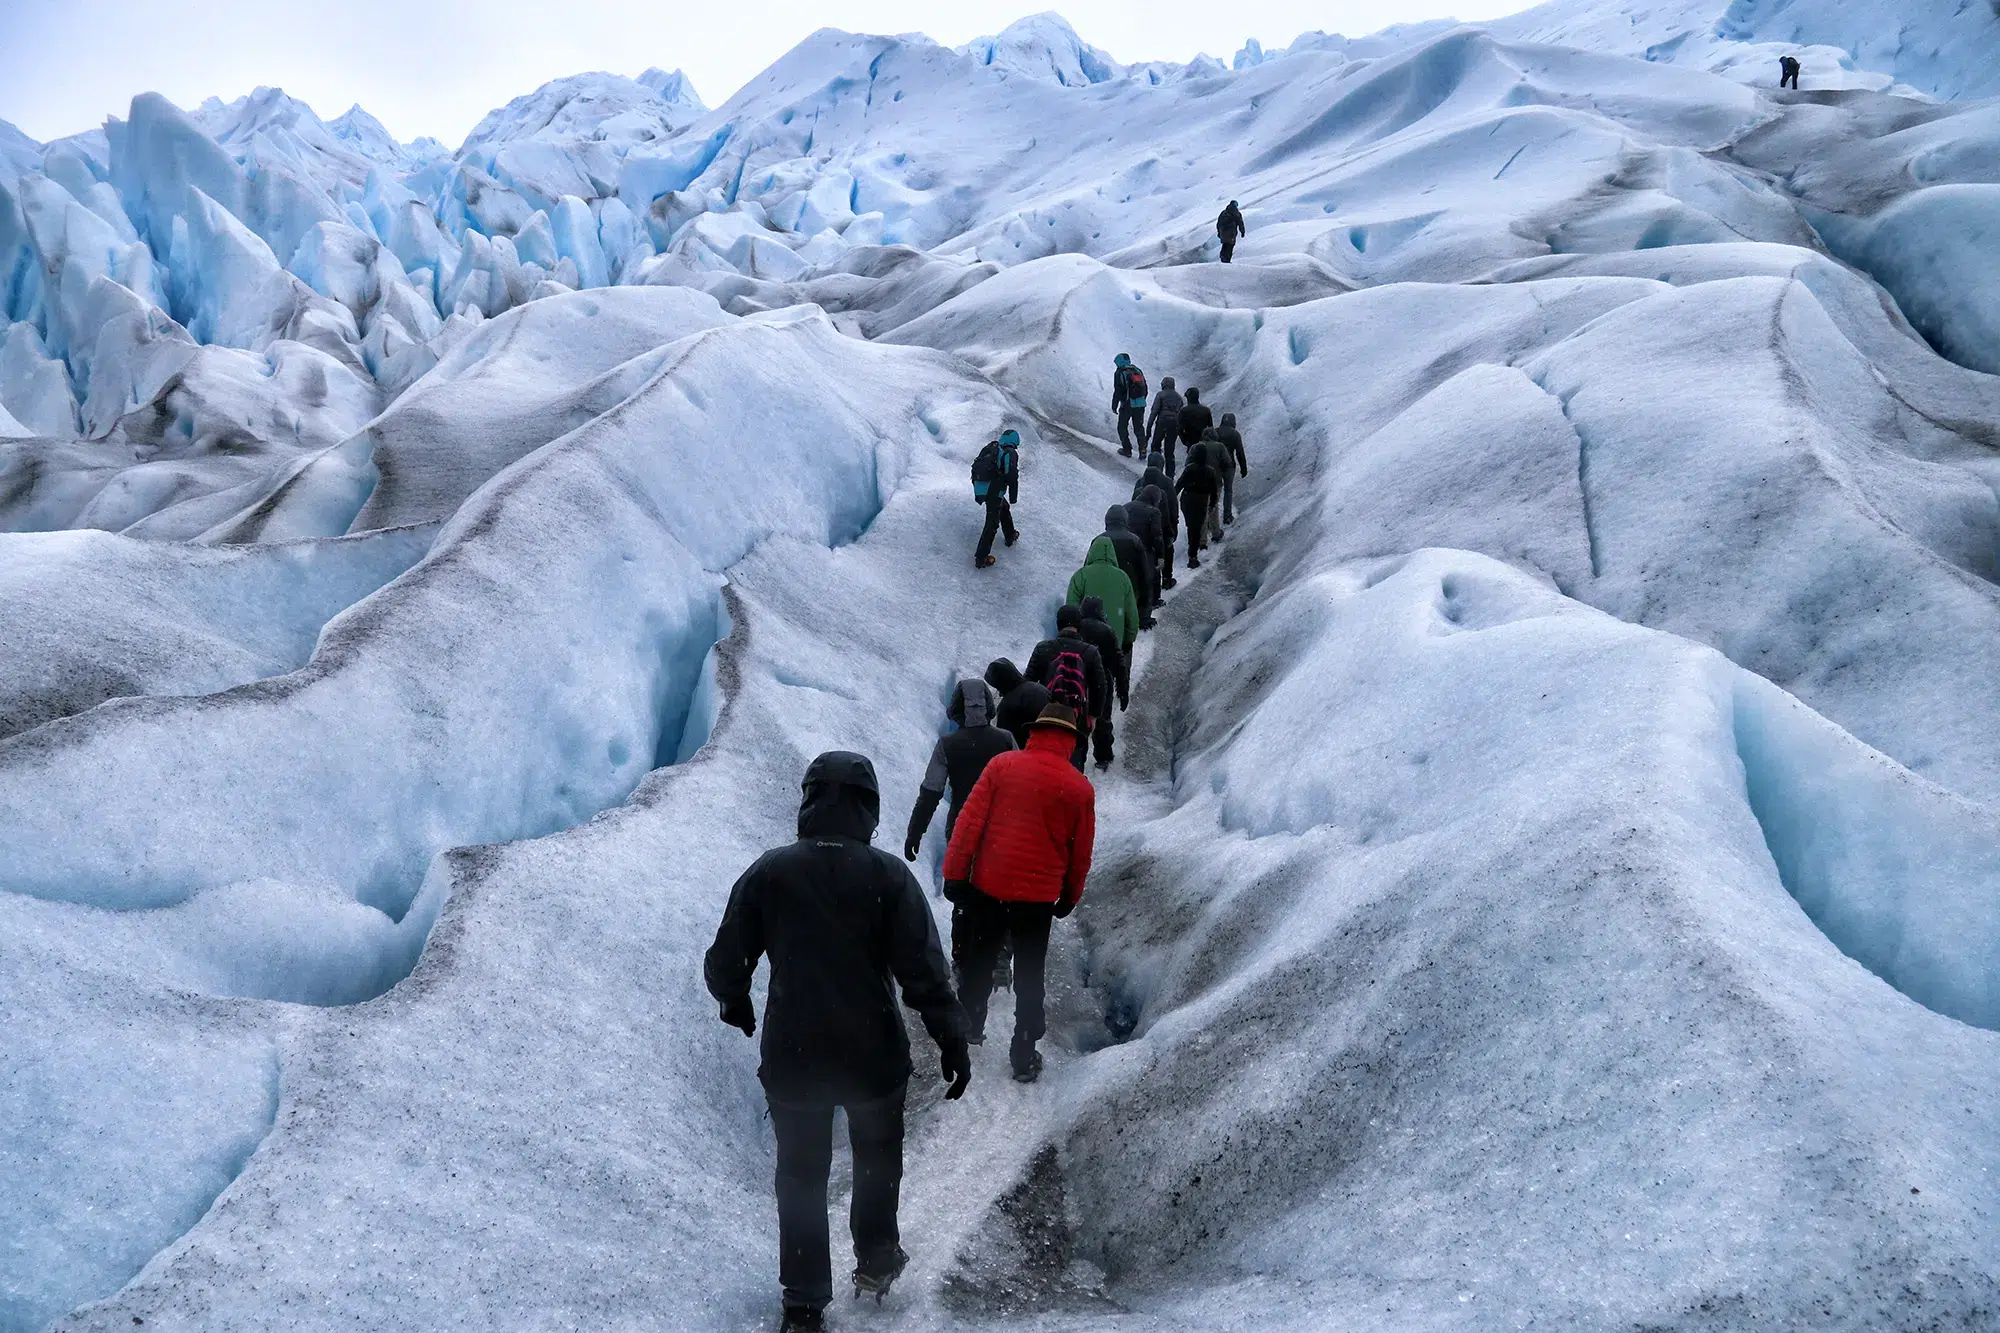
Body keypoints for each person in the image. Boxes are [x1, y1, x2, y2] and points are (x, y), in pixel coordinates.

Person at [706, 752, 973, 1331]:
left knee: (801, 1175)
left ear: (808, 801)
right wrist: (951, 1038)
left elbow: (728, 958)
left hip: (794, 1056)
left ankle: (803, 1303)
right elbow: (924, 972)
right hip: (871, 1057)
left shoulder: (771, 871)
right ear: (869, 808)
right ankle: (875, 1264)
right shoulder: (887, 877)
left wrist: (735, 1000)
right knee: (877, 1160)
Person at [942, 704, 1096, 1083]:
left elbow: (968, 824)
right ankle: (1023, 1054)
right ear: (1070, 741)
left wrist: (955, 873)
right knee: (1030, 973)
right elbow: (1081, 852)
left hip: (989, 887)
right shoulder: (1079, 788)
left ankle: (970, 1027)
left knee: (979, 960)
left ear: (1035, 732)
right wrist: (1070, 896)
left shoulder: (1002, 766)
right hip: (1038, 899)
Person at [906, 679, 1017, 862]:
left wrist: (915, 833)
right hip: (1002, 828)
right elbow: (1022, 785)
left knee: (960, 884)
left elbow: (930, 793)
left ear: (956, 707)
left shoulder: (947, 745)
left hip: (961, 827)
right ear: (988, 704)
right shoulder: (1005, 739)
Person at [1027, 605, 1110, 771]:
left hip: (1045, 715)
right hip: (1076, 718)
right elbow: (1100, 687)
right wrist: (1093, 716)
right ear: (1079, 626)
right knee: (1073, 764)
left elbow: (1028, 682)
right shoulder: (1091, 652)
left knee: (1043, 763)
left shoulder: (1043, 648)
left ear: (1058, 624)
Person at [1065, 533, 1141, 651]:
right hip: (1114, 643)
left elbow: (1071, 608)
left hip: (1084, 644)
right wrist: (1128, 639)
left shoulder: (1081, 575)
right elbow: (1131, 613)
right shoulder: (1123, 578)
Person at [1076, 596, 1127, 770]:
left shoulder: (1076, 628)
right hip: (1102, 680)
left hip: (1078, 679)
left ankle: (1077, 759)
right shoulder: (1106, 631)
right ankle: (1103, 756)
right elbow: (1118, 663)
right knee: (1103, 719)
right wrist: (1123, 689)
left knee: (1078, 721)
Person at [1100, 505, 1158, 630]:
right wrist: (1145, 614)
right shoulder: (1134, 540)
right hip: (1129, 595)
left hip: (1104, 597)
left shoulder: (1099, 540)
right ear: (1126, 520)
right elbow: (1145, 577)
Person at [971, 429, 1021, 569]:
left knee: (1003, 507)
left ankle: (1010, 534)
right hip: (993, 490)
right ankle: (981, 558)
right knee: (992, 522)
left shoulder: (992, 447)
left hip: (982, 486)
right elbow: (1012, 476)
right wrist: (1013, 497)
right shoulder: (1010, 453)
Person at [1175, 451, 1222, 568]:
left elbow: (1179, 484)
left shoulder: (1189, 469)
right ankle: (1193, 555)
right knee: (1197, 527)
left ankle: (1192, 547)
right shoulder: (1210, 471)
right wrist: (1212, 504)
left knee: (1190, 525)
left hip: (1187, 499)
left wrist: (1172, 496)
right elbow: (1214, 490)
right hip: (1201, 501)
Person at [1121, 486, 1168, 596]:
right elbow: (1157, 535)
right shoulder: (1154, 512)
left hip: (1126, 548)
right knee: (1149, 578)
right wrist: (1161, 555)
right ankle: (1152, 601)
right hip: (1145, 549)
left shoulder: (1126, 507)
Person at [1187, 427, 1231, 543]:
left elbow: (1188, 463)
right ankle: (1216, 533)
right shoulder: (1220, 446)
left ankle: (1202, 539)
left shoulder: (1195, 447)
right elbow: (1227, 462)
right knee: (1213, 506)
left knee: (1202, 509)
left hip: (1198, 483)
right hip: (1216, 482)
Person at [1139, 482, 1178, 589]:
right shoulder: (1162, 492)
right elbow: (1168, 516)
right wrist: (1171, 532)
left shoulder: (1139, 486)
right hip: (1152, 537)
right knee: (1157, 561)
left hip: (1136, 539)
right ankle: (1165, 581)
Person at [1111, 353, 1148, 456]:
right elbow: (1145, 387)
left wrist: (1114, 406)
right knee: (1139, 427)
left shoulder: (1120, 372)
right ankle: (1143, 450)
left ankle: (1127, 450)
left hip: (1127, 404)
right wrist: (1142, 400)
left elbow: (1118, 391)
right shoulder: (1137, 370)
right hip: (1140, 404)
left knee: (1122, 427)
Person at [1217, 412, 1249, 524]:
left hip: (1216, 465)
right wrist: (1243, 468)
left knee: (1214, 490)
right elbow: (1240, 452)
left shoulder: (1215, 431)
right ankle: (1227, 516)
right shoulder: (1235, 434)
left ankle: (1211, 515)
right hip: (1229, 465)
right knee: (1228, 490)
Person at [1146, 376, 1184, 472]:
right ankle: (1170, 475)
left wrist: (1149, 427)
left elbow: (1154, 411)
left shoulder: (1160, 395)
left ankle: (1155, 470)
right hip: (1174, 424)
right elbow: (1181, 415)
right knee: (1170, 450)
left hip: (1162, 422)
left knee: (1155, 446)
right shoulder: (1179, 397)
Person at [1177, 387, 1214, 458]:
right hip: (1204, 442)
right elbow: (1211, 429)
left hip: (1190, 442)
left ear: (1188, 398)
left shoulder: (1183, 411)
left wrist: (1185, 441)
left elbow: (1179, 429)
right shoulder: (1206, 410)